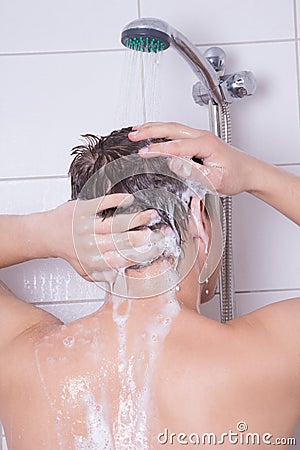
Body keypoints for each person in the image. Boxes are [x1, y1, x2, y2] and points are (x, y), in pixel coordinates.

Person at [0, 122, 298, 449]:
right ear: (200, 218)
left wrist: (38, 233)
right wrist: (255, 175)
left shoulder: (24, 362)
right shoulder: (273, 352)